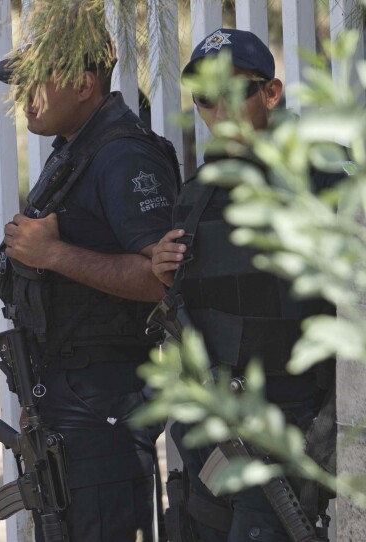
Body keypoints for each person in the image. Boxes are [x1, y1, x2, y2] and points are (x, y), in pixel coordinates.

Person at [0, 32, 180, 541]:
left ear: (84, 84)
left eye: (35, 82)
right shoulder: (77, 150)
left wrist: (53, 254)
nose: (22, 96)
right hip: (70, 394)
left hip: (104, 401)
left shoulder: (124, 157)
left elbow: (163, 282)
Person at [151, 28, 339, 542]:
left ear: (271, 93)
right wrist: (164, 271)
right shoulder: (197, 194)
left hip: (284, 423)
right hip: (210, 431)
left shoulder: (319, 173)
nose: (220, 110)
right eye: (206, 97)